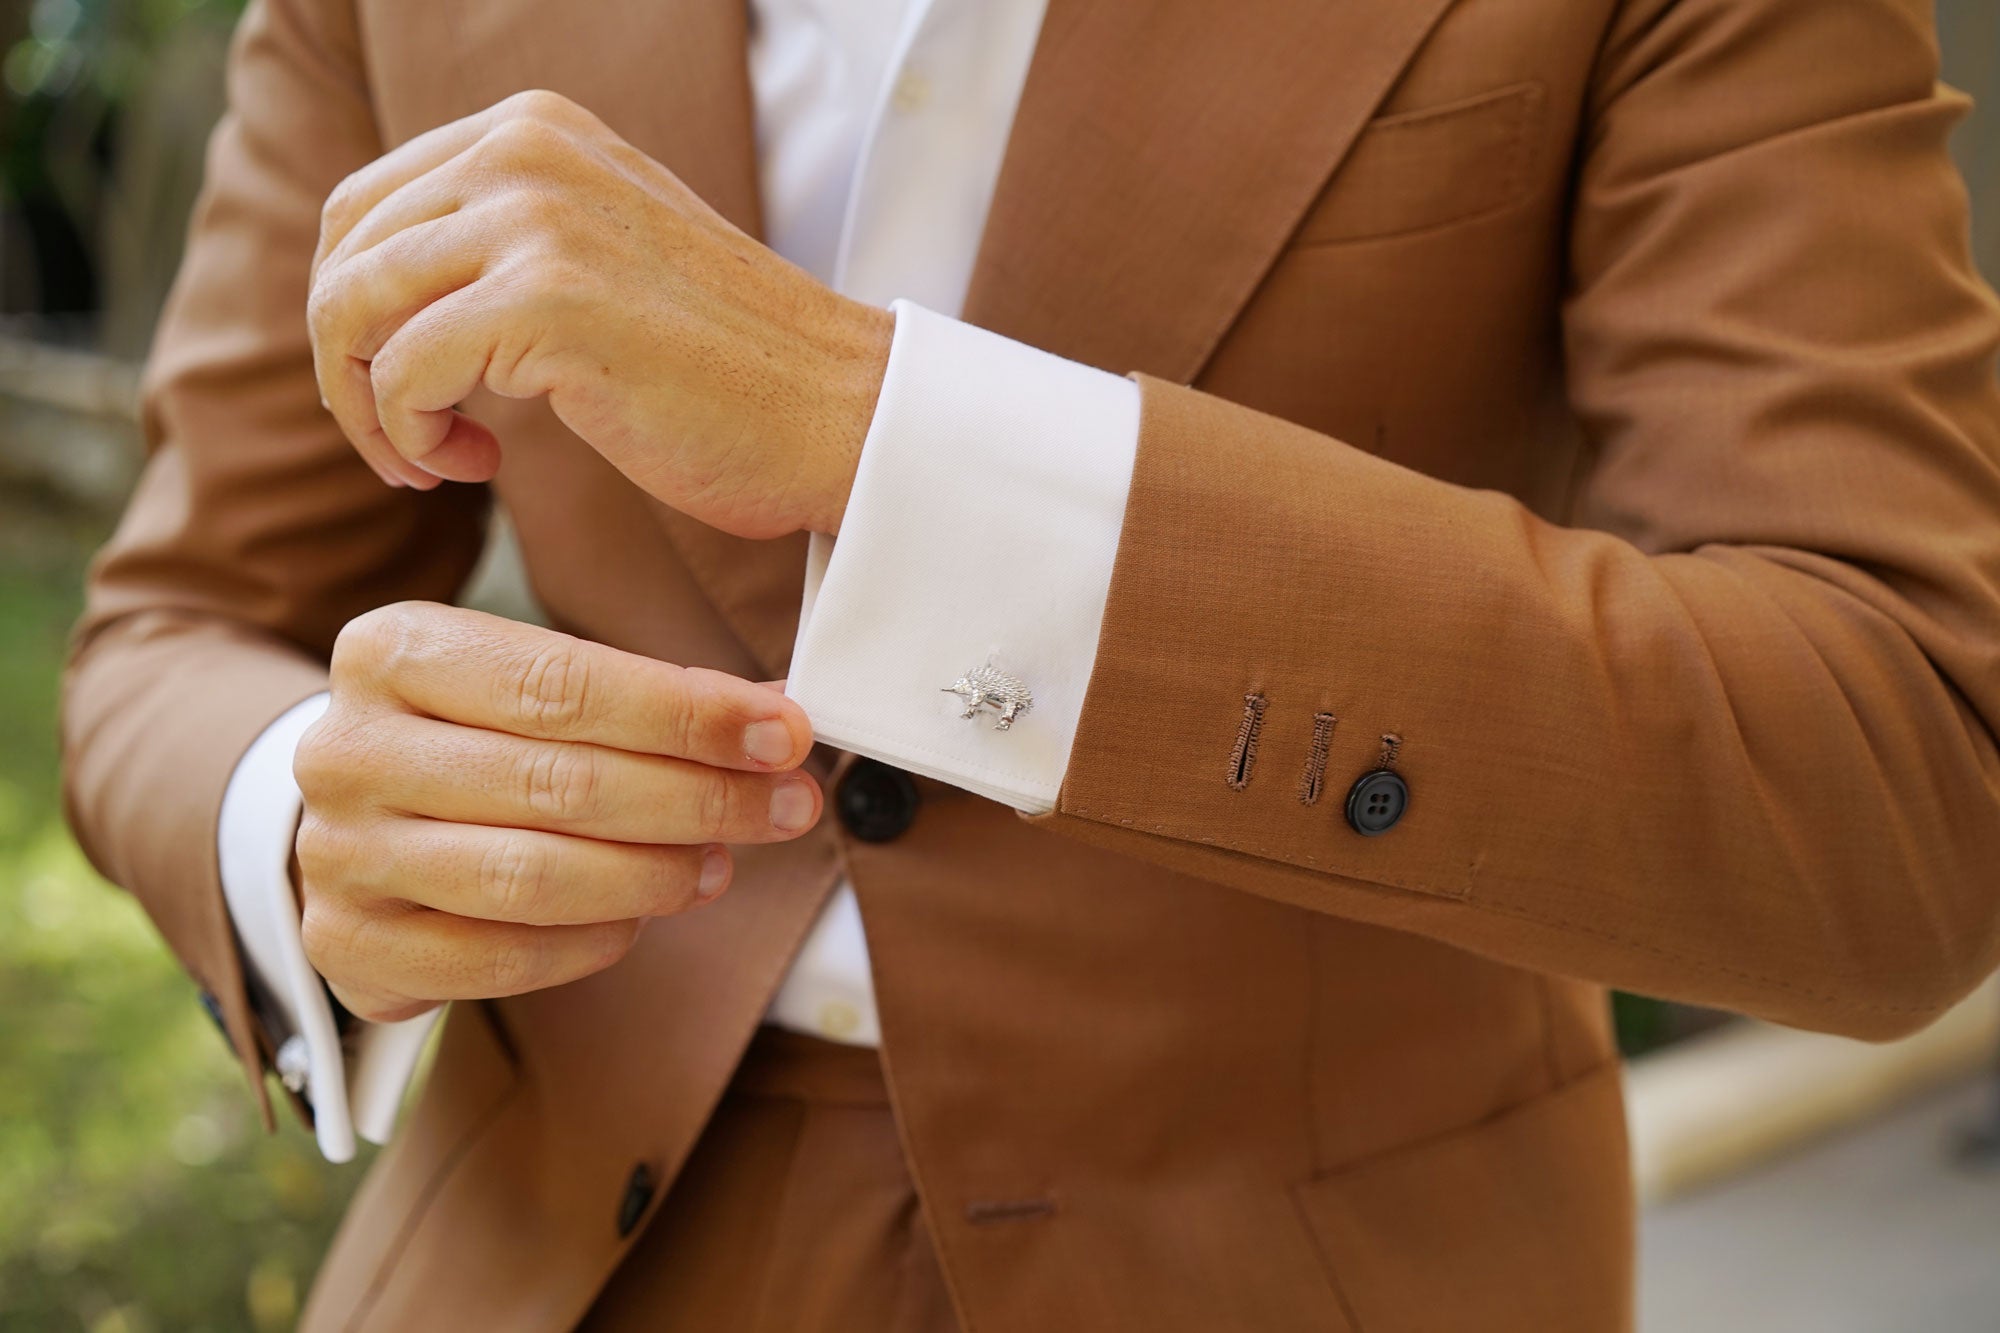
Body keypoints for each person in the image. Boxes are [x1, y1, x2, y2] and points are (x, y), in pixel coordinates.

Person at [60, 0, 2000, 1328]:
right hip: (545, 1251)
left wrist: (882, 428)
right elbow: (174, 631)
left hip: (1312, 1267)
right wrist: (306, 826)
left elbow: (1889, 773)